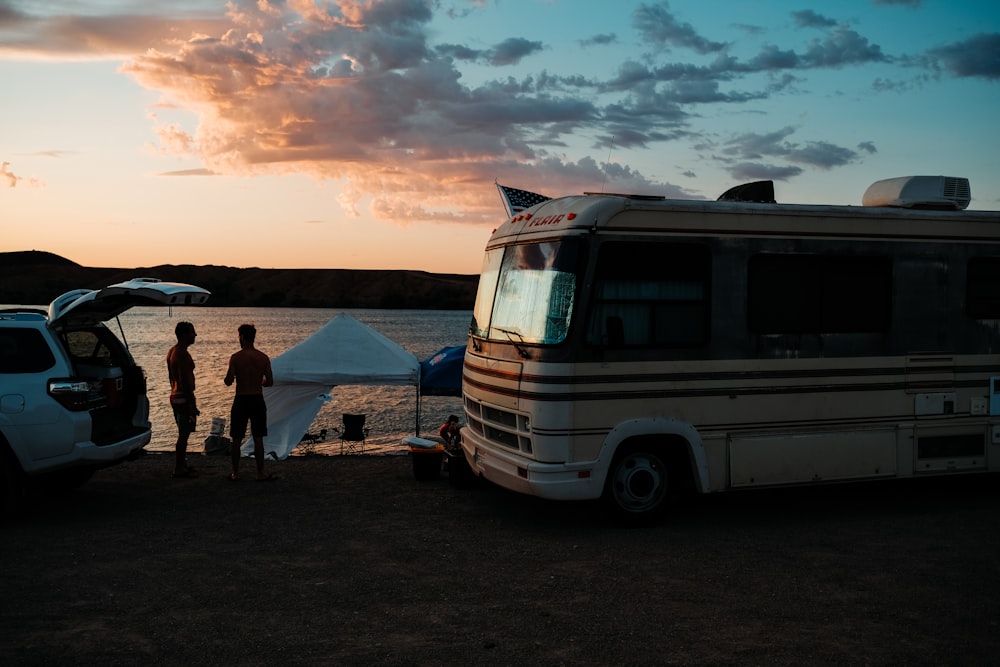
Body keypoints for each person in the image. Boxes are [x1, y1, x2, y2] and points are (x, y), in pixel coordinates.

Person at [224, 323, 276, 481]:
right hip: (257, 399)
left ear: (243, 337)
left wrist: (232, 376)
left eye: (239, 336)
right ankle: (260, 473)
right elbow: (270, 382)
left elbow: (228, 381)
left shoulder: (236, 357)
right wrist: (259, 382)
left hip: (241, 399)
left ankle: (235, 473)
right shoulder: (263, 357)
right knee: (258, 437)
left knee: (237, 438)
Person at [166, 321, 199, 478]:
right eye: (193, 332)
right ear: (185, 334)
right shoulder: (182, 354)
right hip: (183, 397)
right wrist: (192, 402)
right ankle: (179, 467)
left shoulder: (172, 351)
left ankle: (183, 465)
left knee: (183, 431)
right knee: (184, 433)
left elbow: (171, 378)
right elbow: (185, 381)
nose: (195, 335)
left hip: (175, 395)